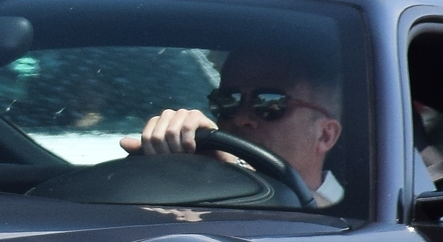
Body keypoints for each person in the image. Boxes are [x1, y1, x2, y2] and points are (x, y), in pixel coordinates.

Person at [119, 49, 346, 208]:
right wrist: (150, 171)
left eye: (268, 103)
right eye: (228, 101)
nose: (240, 118)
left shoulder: (355, 213)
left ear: (325, 135)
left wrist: (236, 168)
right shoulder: (203, 185)